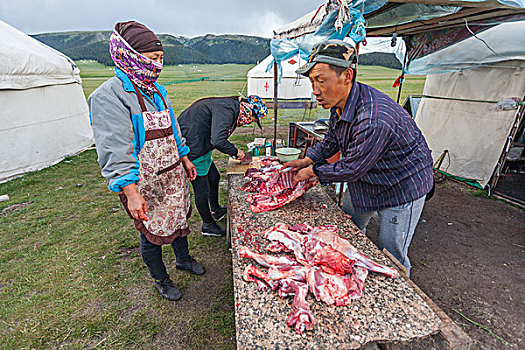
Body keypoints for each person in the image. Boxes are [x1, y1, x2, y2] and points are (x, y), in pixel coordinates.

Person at [286, 39, 434, 276]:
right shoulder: (340, 104)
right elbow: (333, 139)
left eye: (321, 80)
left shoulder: (374, 119)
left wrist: (312, 172)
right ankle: (350, 272)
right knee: (348, 229)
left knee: (391, 252)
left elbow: (350, 169)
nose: (315, 90)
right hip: (368, 176)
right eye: (312, 81)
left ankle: (398, 297)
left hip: (402, 185)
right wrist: (308, 160)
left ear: (346, 75)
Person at [89, 21, 204, 301]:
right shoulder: (110, 97)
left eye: (161, 59)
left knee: (178, 220)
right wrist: (130, 192)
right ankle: (161, 278)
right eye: (152, 59)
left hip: (173, 174)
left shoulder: (158, 92)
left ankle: (183, 259)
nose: (158, 65)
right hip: (145, 182)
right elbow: (114, 148)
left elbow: (174, 131)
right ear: (130, 56)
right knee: (150, 231)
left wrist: (185, 158)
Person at [178, 95, 267, 236]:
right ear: (250, 110)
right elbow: (218, 140)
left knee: (214, 177)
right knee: (202, 189)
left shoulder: (231, 106)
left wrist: (232, 150)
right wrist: (236, 151)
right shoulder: (227, 109)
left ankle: (216, 210)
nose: (249, 122)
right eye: (253, 119)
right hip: (192, 148)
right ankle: (208, 225)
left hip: (201, 144)